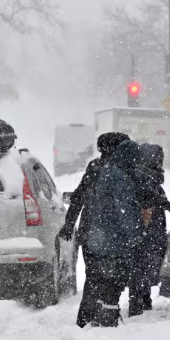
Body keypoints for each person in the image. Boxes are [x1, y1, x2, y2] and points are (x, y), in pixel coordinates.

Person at [58, 132, 130, 328]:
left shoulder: (95, 168)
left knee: (94, 276)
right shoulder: (124, 170)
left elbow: (78, 197)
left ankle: (86, 319)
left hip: (90, 232)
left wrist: (69, 224)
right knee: (113, 278)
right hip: (114, 234)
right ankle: (106, 316)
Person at [128, 143, 170, 316]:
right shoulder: (144, 177)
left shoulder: (147, 176)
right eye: (158, 159)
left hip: (148, 228)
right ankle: (138, 301)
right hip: (146, 228)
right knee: (142, 263)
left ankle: (142, 298)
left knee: (143, 263)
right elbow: (152, 199)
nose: (160, 162)